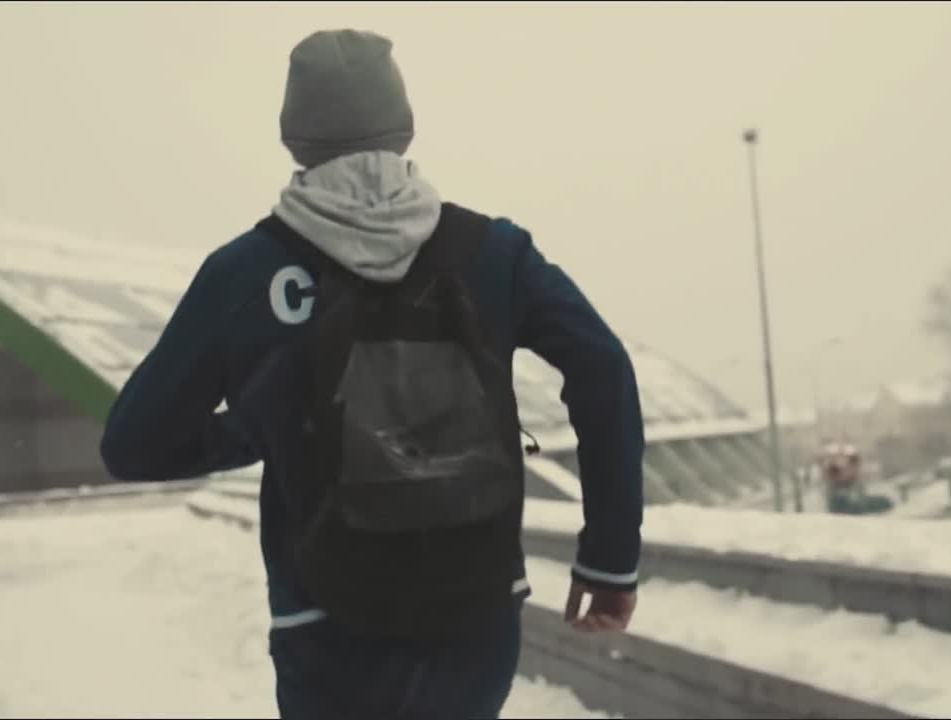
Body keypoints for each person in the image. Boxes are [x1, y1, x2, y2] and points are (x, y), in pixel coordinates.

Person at [99, 28, 644, 720]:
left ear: (294, 137)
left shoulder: (244, 274)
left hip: (325, 627)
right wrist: (609, 558)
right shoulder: (493, 253)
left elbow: (134, 445)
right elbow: (602, 366)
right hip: (475, 615)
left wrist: (264, 427)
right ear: (403, 126)